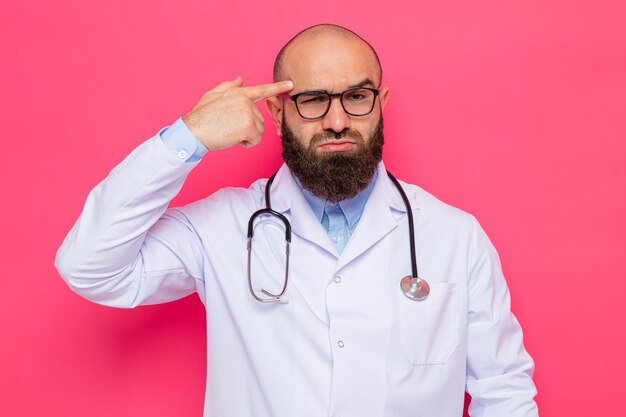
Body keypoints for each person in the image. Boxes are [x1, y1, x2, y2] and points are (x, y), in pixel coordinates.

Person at [55, 24, 539, 417]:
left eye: (356, 96)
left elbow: (504, 393)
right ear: (276, 110)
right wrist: (190, 136)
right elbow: (89, 267)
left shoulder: (455, 236)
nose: (336, 121)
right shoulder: (222, 227)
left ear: (381, 104)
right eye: (312, 100)